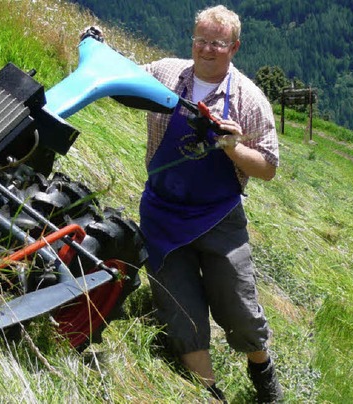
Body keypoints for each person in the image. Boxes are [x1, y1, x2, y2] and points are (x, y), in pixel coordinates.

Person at [138, 5, 283, 403]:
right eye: (201, 39)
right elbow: (125, 76)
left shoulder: (248, 99)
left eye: (217, 43)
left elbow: (268, 167)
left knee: (237, 305)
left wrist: (234, 147)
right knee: (180, 312)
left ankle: (262, 371)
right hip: (162, 214)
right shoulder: (167, 73)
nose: (206, 49)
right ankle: (209, 393)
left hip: (218, 217)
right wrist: (91, 42)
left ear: (233, 47)